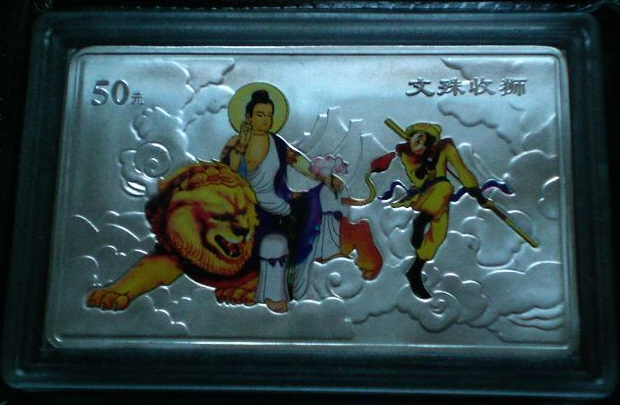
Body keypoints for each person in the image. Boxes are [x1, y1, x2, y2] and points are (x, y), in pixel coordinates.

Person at [221, 88, 343, 312]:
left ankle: (328, 255)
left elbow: (301, 163)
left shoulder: (277, 143)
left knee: (324, 195)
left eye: (269, 115)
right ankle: (273, 296)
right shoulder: (236, 144)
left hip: (280, 204)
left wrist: (327, 178)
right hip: (249, 210)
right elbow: (227, 176)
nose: (265, 120)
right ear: (248, 117)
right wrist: (241, 146)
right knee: (274, 243)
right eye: (260, 115)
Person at [370, 122, 490, 299]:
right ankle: (420, 221)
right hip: (423, 195)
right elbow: (418, 177)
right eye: (417, 139)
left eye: (425, 142)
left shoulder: (445, 148)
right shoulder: (406, 153)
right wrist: (425, 164)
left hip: (439, 200)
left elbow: (462, 171)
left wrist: (478, 194)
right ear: (411, 138)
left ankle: (414, 271)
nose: (420, 145)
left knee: (438, 235)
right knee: (446, 186)